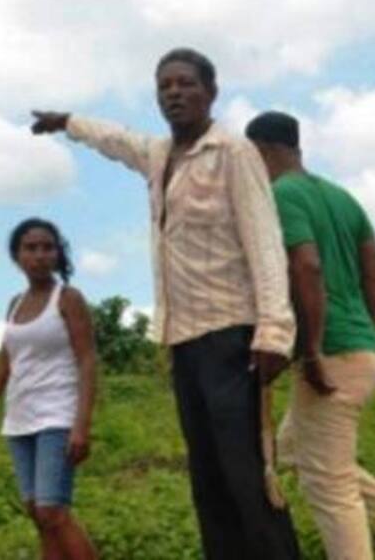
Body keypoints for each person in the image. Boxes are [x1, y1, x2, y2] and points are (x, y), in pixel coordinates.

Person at [32, 47, 299, 560]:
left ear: (211, 92)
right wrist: (68, 122)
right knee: (208, 477)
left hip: (233, 336)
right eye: (164, 87)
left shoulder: (234, 153)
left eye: (185, 84)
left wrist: (274, 332)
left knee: (246, 474)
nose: (174, 93)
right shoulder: (160, 156)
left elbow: (265, 243)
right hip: (184, 340)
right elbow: (117, 141)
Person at [246, 110, 375, 558]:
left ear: (262, 151)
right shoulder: (341, 197)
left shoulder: (281, 195)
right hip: (361, 350)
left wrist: (310, 352)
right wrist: (371, 333)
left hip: (330, 356)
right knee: (292, 448)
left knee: (328, 484)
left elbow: (306, 266)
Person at [0, 217, 98, 560]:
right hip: (20, 419)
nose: (39, 255)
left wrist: (81, 425)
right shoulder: (15, 305)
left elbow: (87, 361)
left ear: (58, 254)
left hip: (56, 417)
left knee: (53, 512)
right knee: (37, 513)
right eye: (30, 248)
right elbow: (5, 365)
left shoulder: (69, 299)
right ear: (16, 256)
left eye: (48, 247)